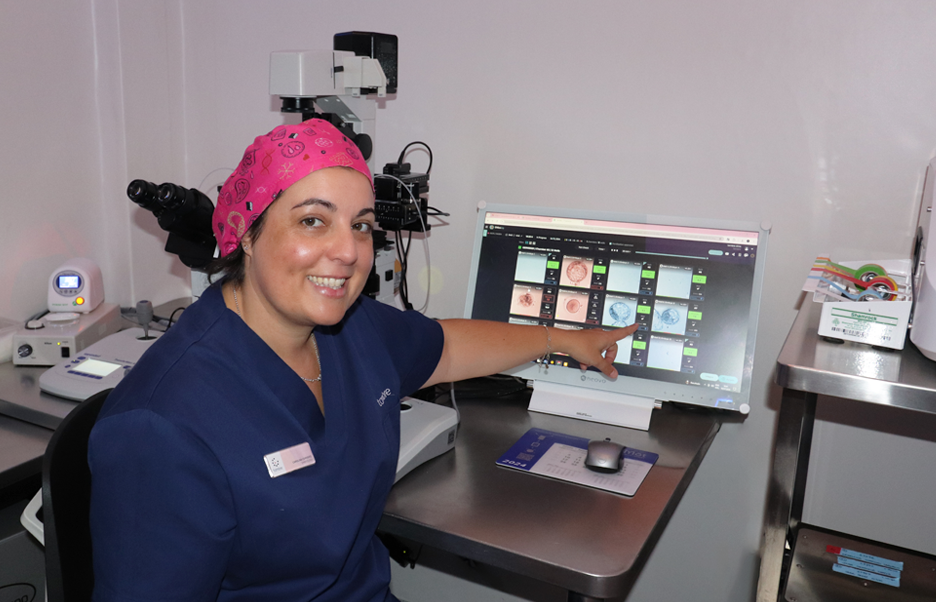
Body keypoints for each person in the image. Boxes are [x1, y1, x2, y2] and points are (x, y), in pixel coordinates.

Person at [88, 118, 637, 602]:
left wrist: (562, 339)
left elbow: (447, 345)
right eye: (312, 220)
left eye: (362, 225)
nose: (349, 251)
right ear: (246, 233)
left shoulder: (350, 330)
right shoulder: (160, 427)